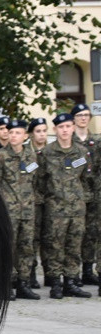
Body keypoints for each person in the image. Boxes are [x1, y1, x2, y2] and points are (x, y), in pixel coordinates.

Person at [37, 113, 91, 299]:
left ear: (73, 128)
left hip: (77, 209)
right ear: (55, 130)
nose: (65, 130)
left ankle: (71, 281)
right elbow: (40, 180)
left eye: (68, 126)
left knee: (74, 246)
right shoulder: (47, 153)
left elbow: (85, 178)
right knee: (54, 246)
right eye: (61, 127)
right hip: (55, 209)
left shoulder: (82, 153)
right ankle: (55, 283)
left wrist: (80, 197)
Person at [0, 120, 39, 300]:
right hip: (9, 210)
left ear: (25, 136)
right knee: (7, 247)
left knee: (27, 248)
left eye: (18, 133)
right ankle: (6, 284)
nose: (14, 136)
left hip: (28, 210)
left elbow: (36, 182)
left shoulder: (31, 157)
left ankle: (24, 283)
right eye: (11, 133)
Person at [70, 103, 100, 286]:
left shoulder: (96, 141)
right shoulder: (66, 141)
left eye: (86, 115)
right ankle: (74, 274)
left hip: (94, 194)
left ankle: (89, 270)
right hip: (75, 197)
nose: (83, 118)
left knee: (92, 233)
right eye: (79, 115)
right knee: (76, 234)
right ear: (73, 119)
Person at [28, 116, 49, 288]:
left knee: (48, 237)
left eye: (44, 131)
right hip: (29, 203)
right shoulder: (28, 153)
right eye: (38, 131)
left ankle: (50, 274)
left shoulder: (50, 152)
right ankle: (31, 274)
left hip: (49, 201)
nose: (41, 135)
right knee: (31, 239)